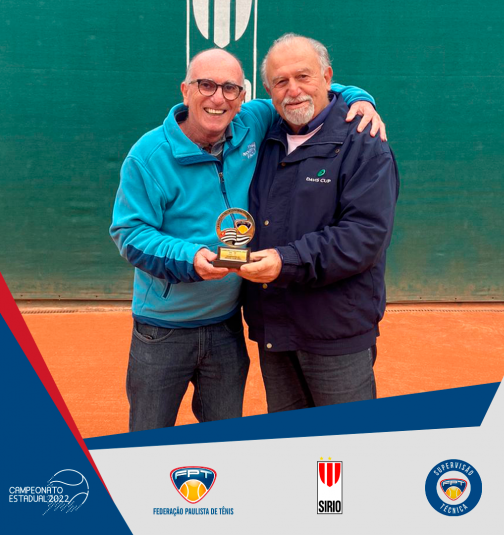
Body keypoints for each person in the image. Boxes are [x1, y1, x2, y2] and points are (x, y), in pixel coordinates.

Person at [110, 47, 384, 431]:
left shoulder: (252, 122)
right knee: (149, 438)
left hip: (227, 326)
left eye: (230, 88)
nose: (218, 98)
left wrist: (360, 99)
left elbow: (303, 92)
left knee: (225, 443)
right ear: (185, 90)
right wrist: (190, 258)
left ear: (243, 97)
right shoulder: (148, 155)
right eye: (206, 85)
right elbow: (130, 233)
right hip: (163, 329)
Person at [239, 34, 400, 413]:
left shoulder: (365, 141)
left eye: (304, 76)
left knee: (343, 443)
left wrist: (286, 261)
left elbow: (364, 236)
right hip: (275, 330)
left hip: (335, 334)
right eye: (280, 81)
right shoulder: (262, 139)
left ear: (328, 77)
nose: (293, 90)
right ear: (268, 92)